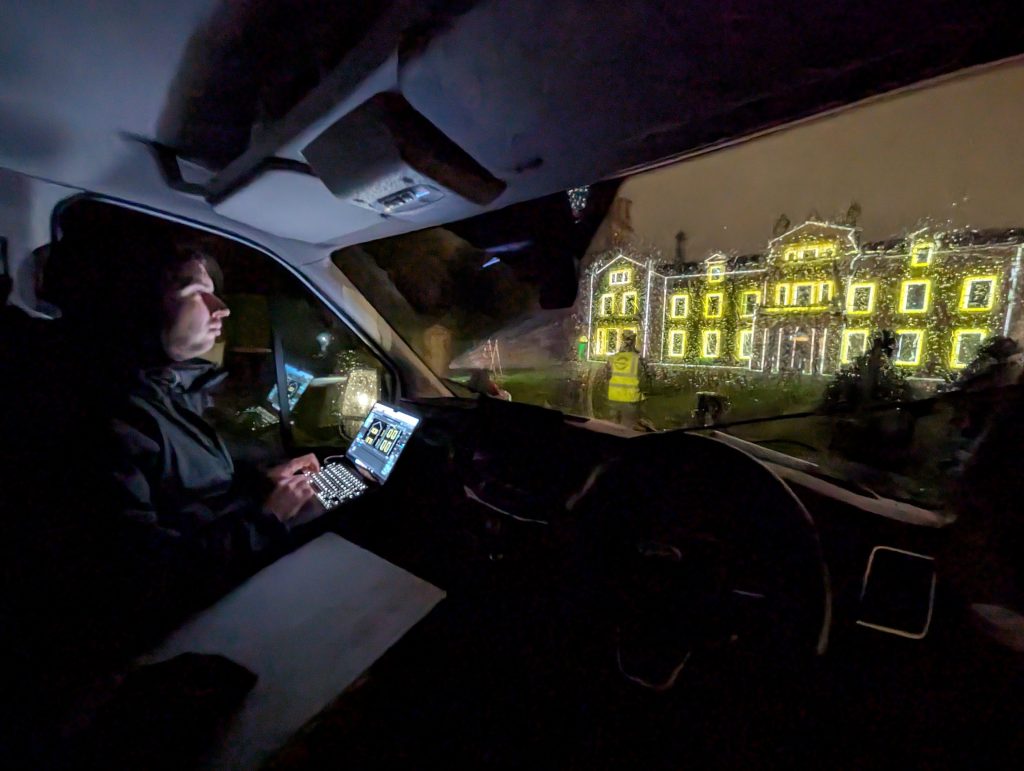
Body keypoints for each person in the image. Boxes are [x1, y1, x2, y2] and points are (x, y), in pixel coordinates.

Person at [605, 329, 648, 427]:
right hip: (631, 400)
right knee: (628, 429)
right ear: (633, 341)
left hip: (613, 398)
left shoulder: (612, 358)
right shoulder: (638, 359)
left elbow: (607, 377)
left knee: (612, 428)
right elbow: (645, 381)